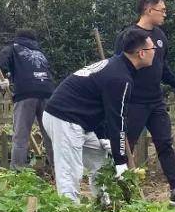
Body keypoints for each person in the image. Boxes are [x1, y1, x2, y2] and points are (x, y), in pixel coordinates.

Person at [43, 27, 155, 202]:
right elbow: (117, 119)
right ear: (141, 53)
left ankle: (104, 205)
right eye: (152, 48)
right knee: (70, 171)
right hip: (64, 118)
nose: (155, 52)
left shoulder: (118, 68)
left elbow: (102, 107)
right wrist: (121, 161)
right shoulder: (120, 78)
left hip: (80, 120)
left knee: (101, 163)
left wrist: (103, 138)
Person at [114, 0, 175, 206]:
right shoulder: (128, 36)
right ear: (149, 10)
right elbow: (118, 66)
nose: (165, 14)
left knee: (165, 143)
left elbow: (162, 67)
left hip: (156, 101)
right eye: (162, 10)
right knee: (126, 145)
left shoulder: (160, 36)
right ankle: (120, 191)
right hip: (134, 102)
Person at [0, 29, 55, 170]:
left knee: (21, 136)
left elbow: (0, 63)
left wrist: (2, 78)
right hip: (48, 92)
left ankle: (17, 172)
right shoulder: (40, 52)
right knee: (51, 136)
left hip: (26, 93)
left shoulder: (13, 48)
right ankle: (58, 171)